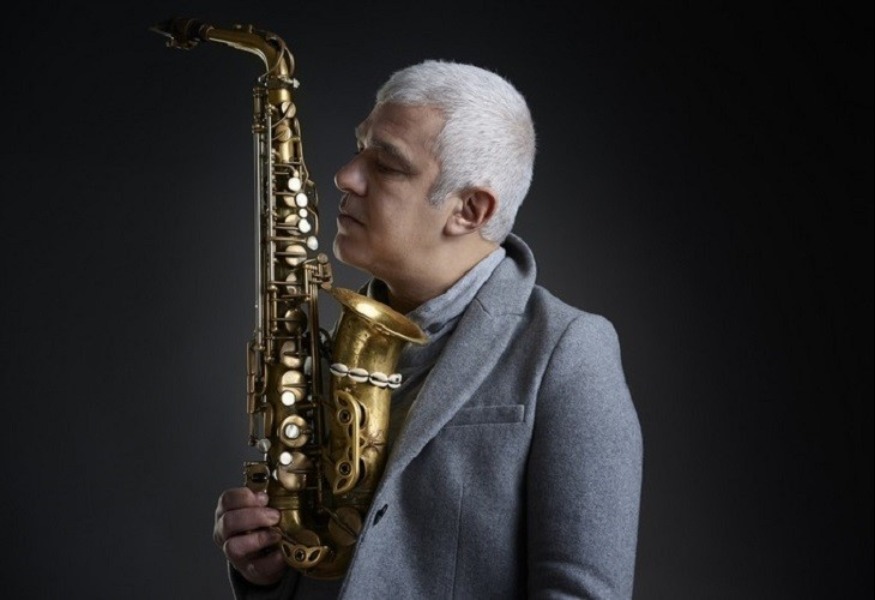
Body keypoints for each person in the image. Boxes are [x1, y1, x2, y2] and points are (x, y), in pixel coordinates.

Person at [213, 59, 643, 599]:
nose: (346, 176)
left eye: (387, 164)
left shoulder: (570, 351)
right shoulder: (319, 347)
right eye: (359, 148)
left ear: (470, 209)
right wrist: (270, 574)